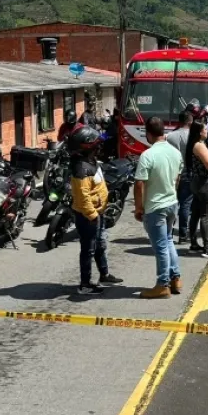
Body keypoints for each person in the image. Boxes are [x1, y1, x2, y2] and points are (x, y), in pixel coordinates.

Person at [68, 125, 123, 295]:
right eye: (96, 144)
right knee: (88, 249)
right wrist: (92, 214)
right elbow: (83, 196)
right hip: (88, 216)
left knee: (100, 245)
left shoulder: (90, 161)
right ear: (88, 146)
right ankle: (85, 284)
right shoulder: (81, 169)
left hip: (97, 212)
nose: (100, 146)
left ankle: (104, 274)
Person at [134, 117, 184, 299]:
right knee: (169, 240)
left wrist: (139, 207)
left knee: (161, 245)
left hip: (155, 206)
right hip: (172, 203)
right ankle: (175, 278)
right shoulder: (175, 153)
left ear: (148, 133)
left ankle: (162, 284)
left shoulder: (147, 155)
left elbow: (139, 183)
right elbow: (177, 179)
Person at [186, 121, 208, 257]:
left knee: (195, 213)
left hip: (196, 181)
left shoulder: (197, 145)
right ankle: (207, 247)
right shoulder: (199, 146)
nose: (207, 131)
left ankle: (194, 243)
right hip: (204, 182)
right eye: (205, 129)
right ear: (200, 132)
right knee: (205, 215)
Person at [167, 110, 194, 243]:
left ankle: (169, 232)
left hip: (171, 173)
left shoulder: (170, 136)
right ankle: (183, 234)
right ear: (190, 121)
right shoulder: (193, 136)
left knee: (172, 202)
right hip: (187, 173)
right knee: (185, 204)